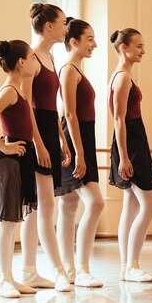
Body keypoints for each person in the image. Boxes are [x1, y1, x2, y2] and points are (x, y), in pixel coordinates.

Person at [0, 40, 39, 298]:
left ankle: (11, 278)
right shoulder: (9, 91)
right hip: (8, 161)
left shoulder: (19, 89)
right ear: (22, 62)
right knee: (7, 221)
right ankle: (4, 280)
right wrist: (4, 147)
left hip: (21, 158)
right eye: (33, 58)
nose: (36, 63)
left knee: (13, 221)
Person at [21, 3, 72, 292]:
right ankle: (58, 270)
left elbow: (51, 106)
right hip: (35, 134)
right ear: (49, 26)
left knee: (36, 207)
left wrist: (61, 140)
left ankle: (29, 270)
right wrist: (38, 143)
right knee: (46, 206)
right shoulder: (30, 57)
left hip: (50, 132)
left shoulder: (51, 57)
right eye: (63, 22)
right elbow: (27, 105)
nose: (66, 27)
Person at [54, 17, 104, 287]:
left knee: (69, 204)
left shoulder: (77, 70)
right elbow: (69, 113)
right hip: (75, 139)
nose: (94, 44)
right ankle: (81, 269)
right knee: (95, 202)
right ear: (73, 41)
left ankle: (70, 269)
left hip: (82, 136)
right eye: (90, 39)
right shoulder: (68, 70)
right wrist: (79, 153)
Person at [109, 28, 152, 282]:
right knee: (150, 205)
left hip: (133, 140)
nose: (143, 50)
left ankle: (126, 266)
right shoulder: (123, 78)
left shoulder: (124, 76)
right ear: (124, 48)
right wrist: (125, 156)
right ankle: (132, 265)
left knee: (131, 205)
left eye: (143, 45)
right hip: (131, 143)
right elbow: (118, 118)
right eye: (138, 46)